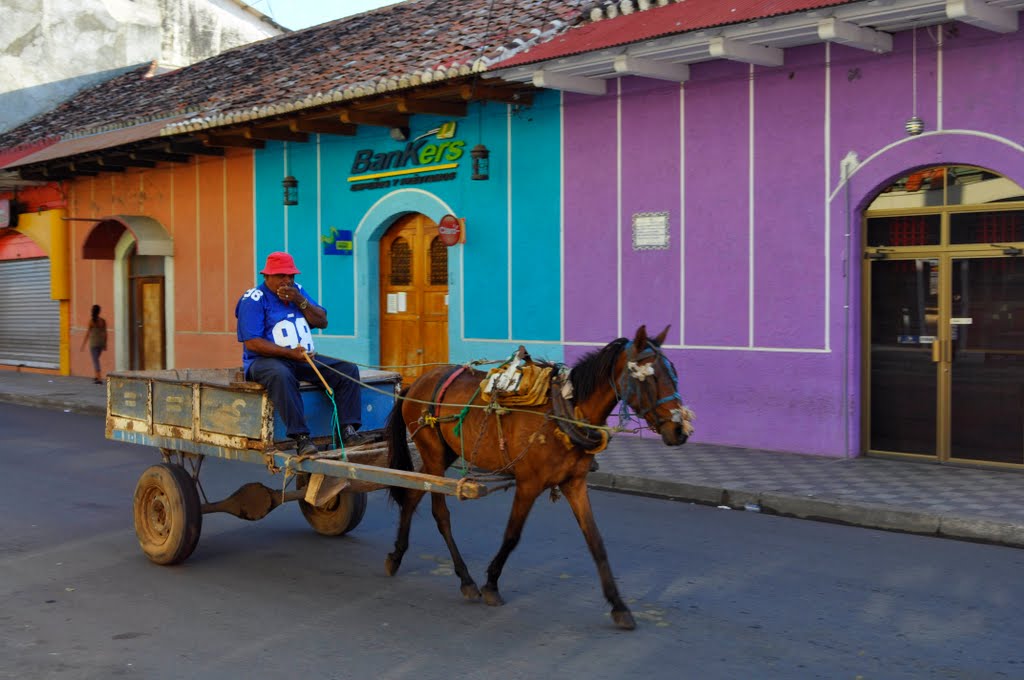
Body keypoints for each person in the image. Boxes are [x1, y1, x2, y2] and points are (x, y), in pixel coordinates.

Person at [235, 252, 368, 456]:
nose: (287, 281)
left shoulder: (297, 292)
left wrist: (300, 301)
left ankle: (347, 429)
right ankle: (301, 437)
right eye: (281, 275)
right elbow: (253, 343)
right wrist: (288, 354)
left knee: (347, 370)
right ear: (267, 276)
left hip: (301, 358)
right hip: (264, 362)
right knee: (281, 375)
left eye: (291, 276)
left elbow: (322, 321)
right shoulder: (254, 299)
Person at [80, 304, 107, 384]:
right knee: (96, 359)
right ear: (99, 311)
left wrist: (83, 344)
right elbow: (105, 333)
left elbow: (87, 333)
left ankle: (99, 378)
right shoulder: (103, 321)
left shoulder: (91, 321)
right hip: (100, 343)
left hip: (93, 343)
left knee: (95, 360)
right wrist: (105, 344)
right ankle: (96, 375)